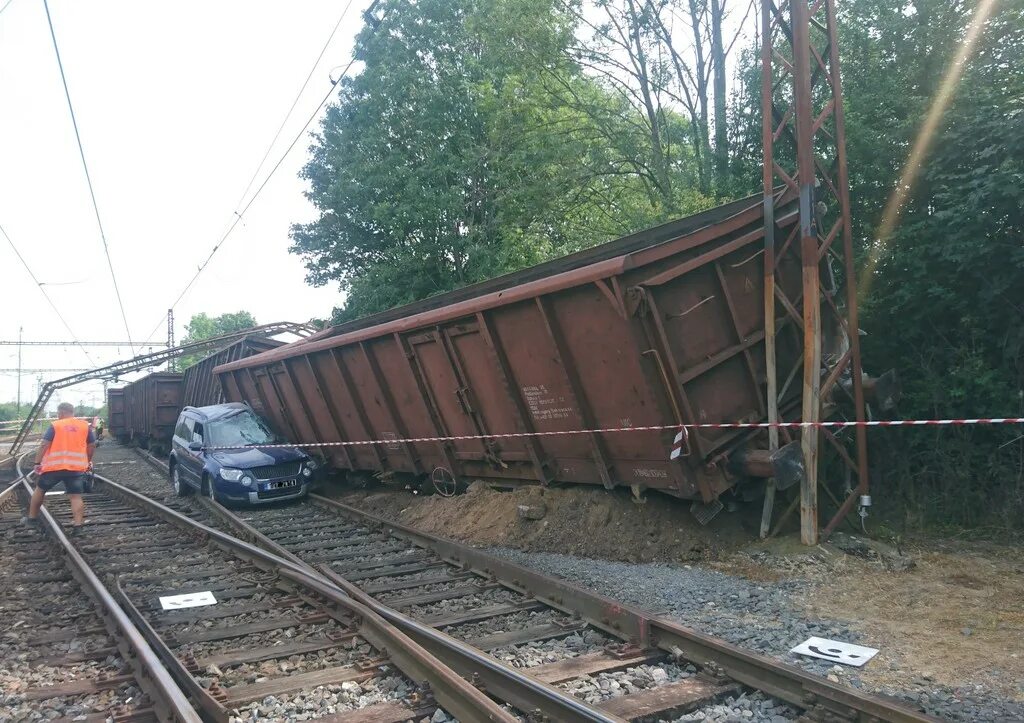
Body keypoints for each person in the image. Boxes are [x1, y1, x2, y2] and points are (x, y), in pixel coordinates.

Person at [24, 402, 96, 535]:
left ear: (61, 413)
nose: (58, 416)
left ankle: (32, 519)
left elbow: (45, 444)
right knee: (75, 496)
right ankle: (78, 527)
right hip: (75, 468)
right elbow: (92, 445)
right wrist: (88, 459)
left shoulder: (56, 425)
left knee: (40, 490)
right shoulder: (84, 426)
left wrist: (37, 462)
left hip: (54, 467)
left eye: (58, 414)